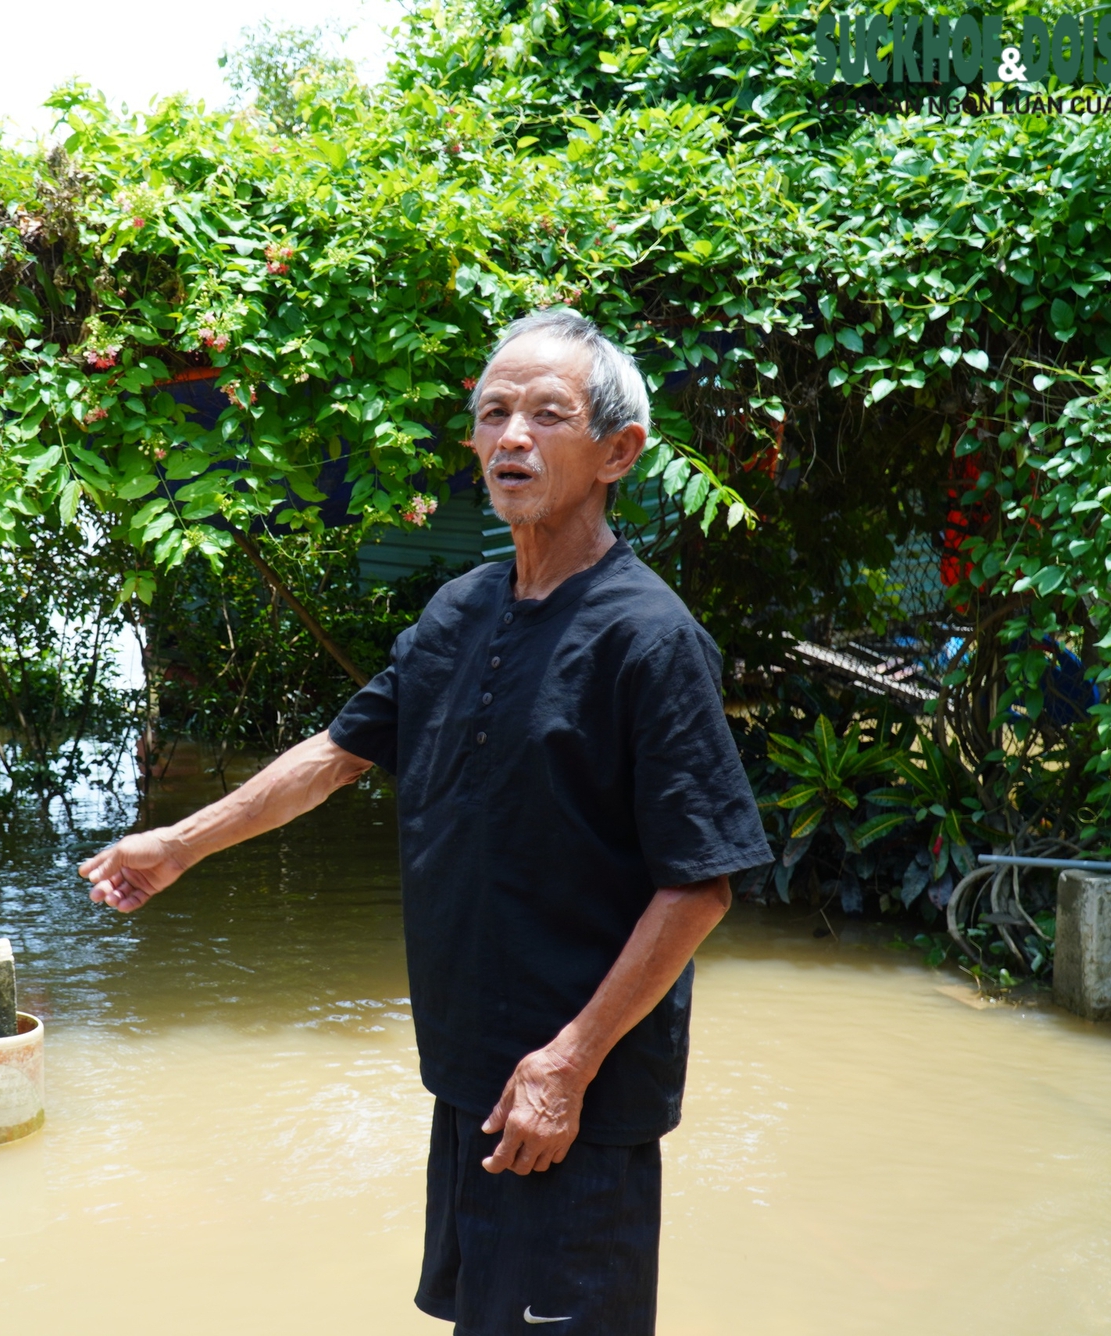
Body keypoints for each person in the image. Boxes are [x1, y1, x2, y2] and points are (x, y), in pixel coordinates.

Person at [79, 308, 770, 1335]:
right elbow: (331, 758)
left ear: (616, 451)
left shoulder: (648, 639)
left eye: (546, 414)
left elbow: (698, 883)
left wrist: (567, 1062)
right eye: (491, 414)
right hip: (469, 1073)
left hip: (571, 1095)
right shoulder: (459, 611)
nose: (510, 438)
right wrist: (177, 845)